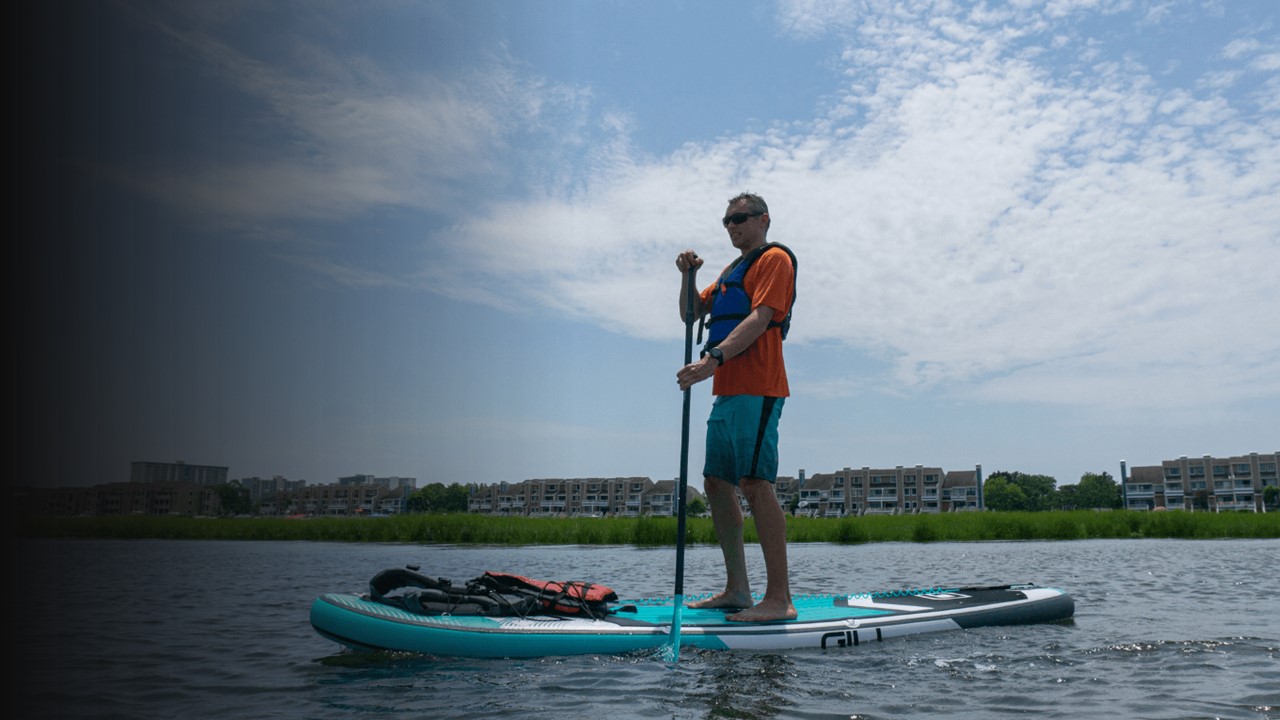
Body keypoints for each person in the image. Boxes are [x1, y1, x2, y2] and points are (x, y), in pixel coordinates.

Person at [675, 192, 797, 622]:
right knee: (715, 482)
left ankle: (779, 600)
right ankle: (737, 590)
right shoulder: (731, 270)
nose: (732, 226)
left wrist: (713, 360)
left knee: (755, 482)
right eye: (726, 221)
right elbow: (691, 313)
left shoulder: (773, 260)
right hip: (726, 391)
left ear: (763, 219)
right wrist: (689, 277)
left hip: (759, 387)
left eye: (739, 218)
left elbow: (760, 318)